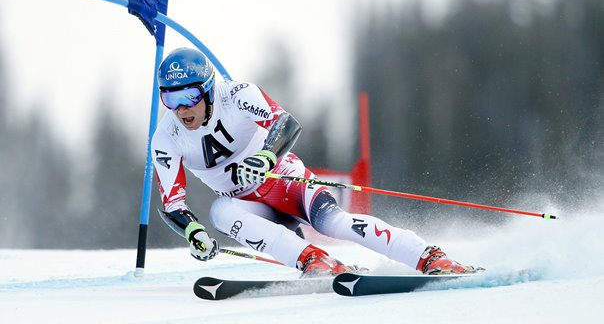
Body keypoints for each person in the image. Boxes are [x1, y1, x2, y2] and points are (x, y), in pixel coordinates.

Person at [152, 47, 479, 277]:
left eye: (189, 97)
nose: (181, 110)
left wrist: (265, 158)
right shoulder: (166, 138)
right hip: (243, 203)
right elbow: (172, 203)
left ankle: (428, 257)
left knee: (334, 224)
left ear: (208, 90)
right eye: (170, 98)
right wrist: (193, 232)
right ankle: (314, 261)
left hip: (285, 181)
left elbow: (285, 123)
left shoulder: (237, 95)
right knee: (219, 213)